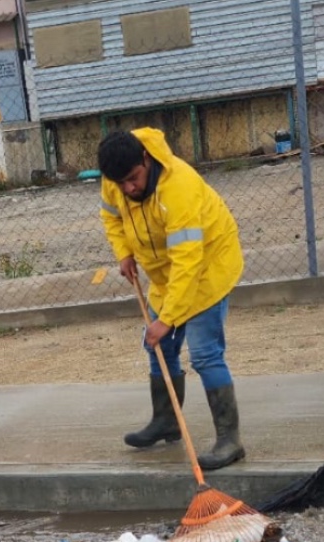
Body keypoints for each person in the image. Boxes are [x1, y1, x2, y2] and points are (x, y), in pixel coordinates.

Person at [97, 128, 246, 471]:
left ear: (145, 160)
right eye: (121, 183)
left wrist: (167, 320)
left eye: (133, 179)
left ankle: (230, 440)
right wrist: (124, 254)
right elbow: (111, 215)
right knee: (158, 348)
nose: (128, 189)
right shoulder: (116, 176)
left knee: (205, 354)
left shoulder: (179, 188)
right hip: (165, 273)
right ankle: (167, 422)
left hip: (207, 267)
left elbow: (188, 262)